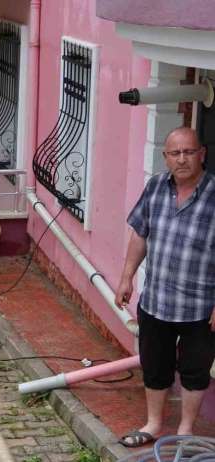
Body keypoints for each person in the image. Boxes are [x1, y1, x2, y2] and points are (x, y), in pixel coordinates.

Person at [115, 127, 215, 448]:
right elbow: (140, 233)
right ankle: (154, 424)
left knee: (194, 371)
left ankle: (185, 430)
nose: (182, 159)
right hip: (156, 300)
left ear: (202, 154)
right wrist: (127, 276)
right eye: (175, 153)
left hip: (199, 307)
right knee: (155, 366)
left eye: (189, 152)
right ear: (166, 157)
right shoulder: (156, 186)